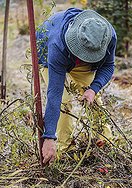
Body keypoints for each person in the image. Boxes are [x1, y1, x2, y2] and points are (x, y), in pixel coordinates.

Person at [36, 8, 117, 165]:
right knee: (64, 102)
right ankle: (64, 150)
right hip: (51, 53)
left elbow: (109, 65)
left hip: (80, 63)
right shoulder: (56, 45)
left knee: (93, 99)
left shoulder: (108, 35)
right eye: (82, 52)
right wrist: (49, 136)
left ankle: (104, 141)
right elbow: (54, 94)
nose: (83, 56)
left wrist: (93, 89)